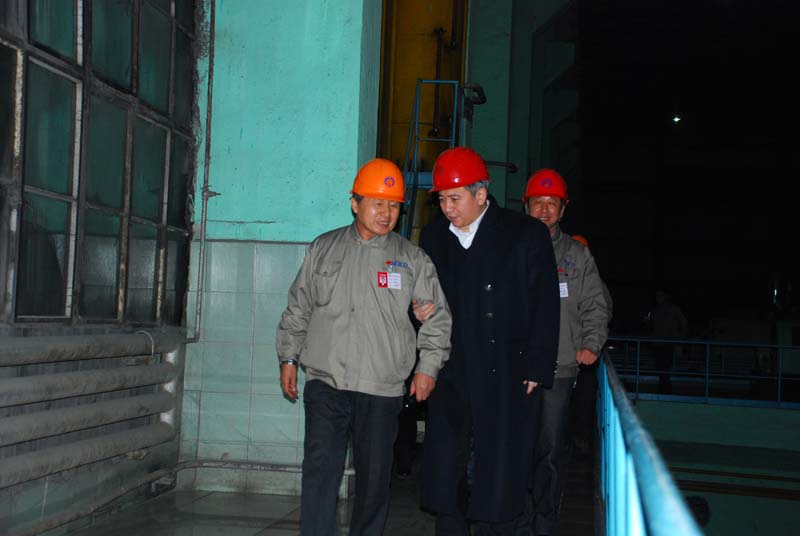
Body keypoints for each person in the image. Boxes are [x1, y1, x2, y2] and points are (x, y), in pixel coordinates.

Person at [275, 158, 453, 536]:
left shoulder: (412, 259)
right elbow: (299, 306)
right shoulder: (324, 248)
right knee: (320, 473)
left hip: (381, 385)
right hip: (327, 380)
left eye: (393, 206)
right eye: (377, 203)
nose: (386, 213)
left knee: (374, 482)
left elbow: (438, 318)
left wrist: (428, 368)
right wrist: (288, 356)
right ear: (355, 203)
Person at [417, 147, 560, 535]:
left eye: (455, 198)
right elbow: (422, 293)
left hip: (507, 368)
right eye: (441, 199)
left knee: (500, 464)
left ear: (481, 195)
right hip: (453, 365)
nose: (447, 208)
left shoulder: (524, 234)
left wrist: (537, 365)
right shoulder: (434, 237)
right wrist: (418, 310)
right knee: (447, 459)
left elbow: (546, 304)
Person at [524, 168, 612, 536]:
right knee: (513, 446)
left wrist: (591, 342)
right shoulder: (511, 246)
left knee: (549, 448)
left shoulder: (577, 255)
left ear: (563, 208)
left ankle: (543, 521)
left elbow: (596, 304)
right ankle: (512, 517)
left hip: (559, 368)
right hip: (513, 367)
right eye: (538, 202)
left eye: (552, 203)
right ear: (526, 205)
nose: (545, 209)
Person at [651, 289, 688, 394]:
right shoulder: (656, 310)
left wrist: (679, 342)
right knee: (661, 369)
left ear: (666, 296)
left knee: (665, 369)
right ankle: (664, 390)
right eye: (657, 295)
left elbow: (684, 325)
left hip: (668, 343)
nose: (658, 297)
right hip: (657, 343)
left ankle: (665, 391)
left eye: (661, 295)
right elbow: (652, 326)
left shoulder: (674, 309)